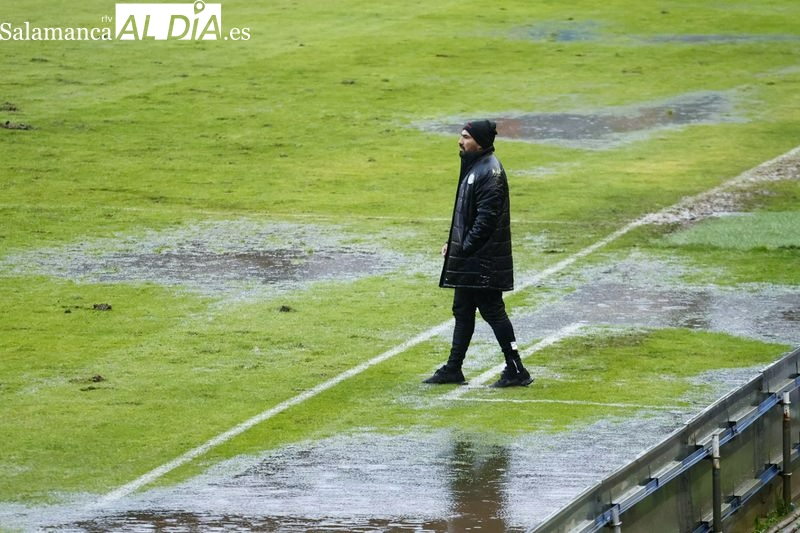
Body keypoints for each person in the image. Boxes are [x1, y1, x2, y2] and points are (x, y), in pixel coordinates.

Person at [423, 119, 532, 388]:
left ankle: (517, 369)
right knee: (462, 310)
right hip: (472, 258)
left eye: (465, 137)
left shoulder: (489, 173)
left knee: (493, 312)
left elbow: (485, 221)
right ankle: (453, 368)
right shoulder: (476, 167)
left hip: (483, 261)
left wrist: (464, 247)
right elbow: (468, 218)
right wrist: (455, 244)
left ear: (480, 142)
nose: (460, 142)